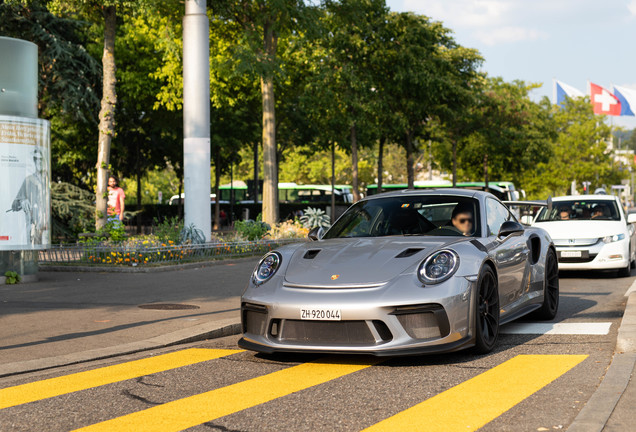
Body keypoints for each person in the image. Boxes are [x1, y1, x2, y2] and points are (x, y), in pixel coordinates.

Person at [10, 147, 48, 246]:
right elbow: (14, 205)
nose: (38, 162)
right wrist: (22, 201)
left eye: (40, 159)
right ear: (34, 161)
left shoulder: (47, 181)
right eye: (36, 159)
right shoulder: (28, 180)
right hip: (32, 228)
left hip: (45, 226)